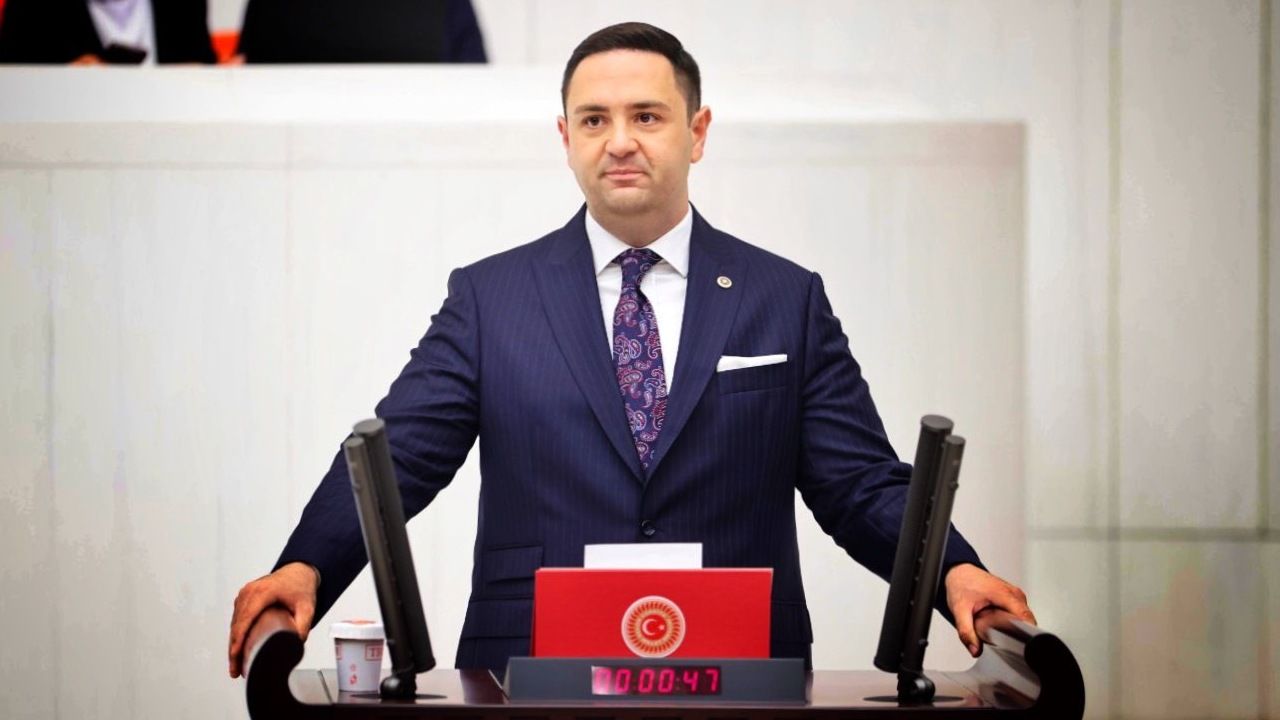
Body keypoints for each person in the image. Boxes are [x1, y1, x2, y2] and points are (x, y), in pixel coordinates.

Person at [227, 21, 1035, 679]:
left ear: (697, 132)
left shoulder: (784, 298)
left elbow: (857, 483)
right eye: (594, 120)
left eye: (646, 116)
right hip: (527, 670)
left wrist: (953, 571)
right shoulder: (490, 298)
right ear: (565, 137)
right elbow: (398, 457)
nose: (619, 141)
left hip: (739, 670)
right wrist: (306, 566)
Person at [0, 0, 215, 65]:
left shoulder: (185, 6)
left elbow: (203, 66)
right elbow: (13, 91)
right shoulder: (31, 8)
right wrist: (61, 82)